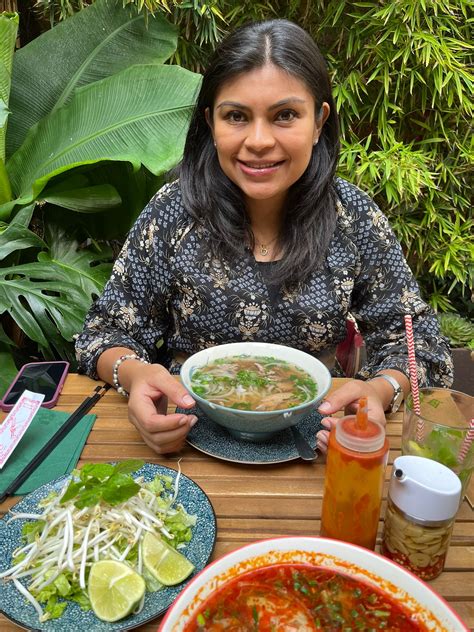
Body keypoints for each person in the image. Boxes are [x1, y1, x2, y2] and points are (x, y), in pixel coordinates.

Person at [75, 19, 453, 455]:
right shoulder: (173, 212)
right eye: (236, 116)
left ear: (318, 122)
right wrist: (134, 374)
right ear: (210, 123)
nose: (258, 141)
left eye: (285, 115)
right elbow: (104, 331)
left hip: (320, 446)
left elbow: (416, 340)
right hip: (184, 441)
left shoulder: (352, 217)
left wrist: (381, 390)